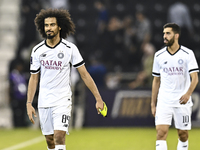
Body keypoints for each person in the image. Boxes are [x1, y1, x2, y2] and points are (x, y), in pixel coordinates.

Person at [26, 9, 105, 150]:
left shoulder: (70, 48)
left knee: (59, 136)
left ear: (59, 26)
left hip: (62, 100)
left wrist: (98, 98)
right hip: (44, 101)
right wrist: (29, 102)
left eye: (52, 25)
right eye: (46, 25)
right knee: (50, 140)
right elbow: (33, 78)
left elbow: (85, 74)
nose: (49, 28)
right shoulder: (37, 50)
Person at [151, 23, 199, 150]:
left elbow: (195, 78)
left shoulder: (187, 54)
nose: (164, 36)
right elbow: (156, 81)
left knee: (183, 135)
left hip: (182, 101)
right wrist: (153, 103)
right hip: (164, 100)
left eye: (168, 33)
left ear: (176, 36)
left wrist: (188, 94)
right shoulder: (158, 55)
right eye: (164, 34)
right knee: (161, 133)